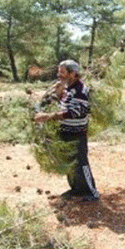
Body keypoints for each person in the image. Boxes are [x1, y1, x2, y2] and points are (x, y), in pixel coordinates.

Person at [34, 59, 99, 202]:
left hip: (77, 133)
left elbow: (75, 112)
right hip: (66, 131)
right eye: (59, 71)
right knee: (70, 161)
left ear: (73, 73)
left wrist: (48, 117)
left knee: (81, 162)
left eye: (62, 72)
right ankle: (76, 189)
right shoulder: (67, 89)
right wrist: (57, 94)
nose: (59, 74)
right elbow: (61, 106)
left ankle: (91, 192)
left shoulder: (80, 90)